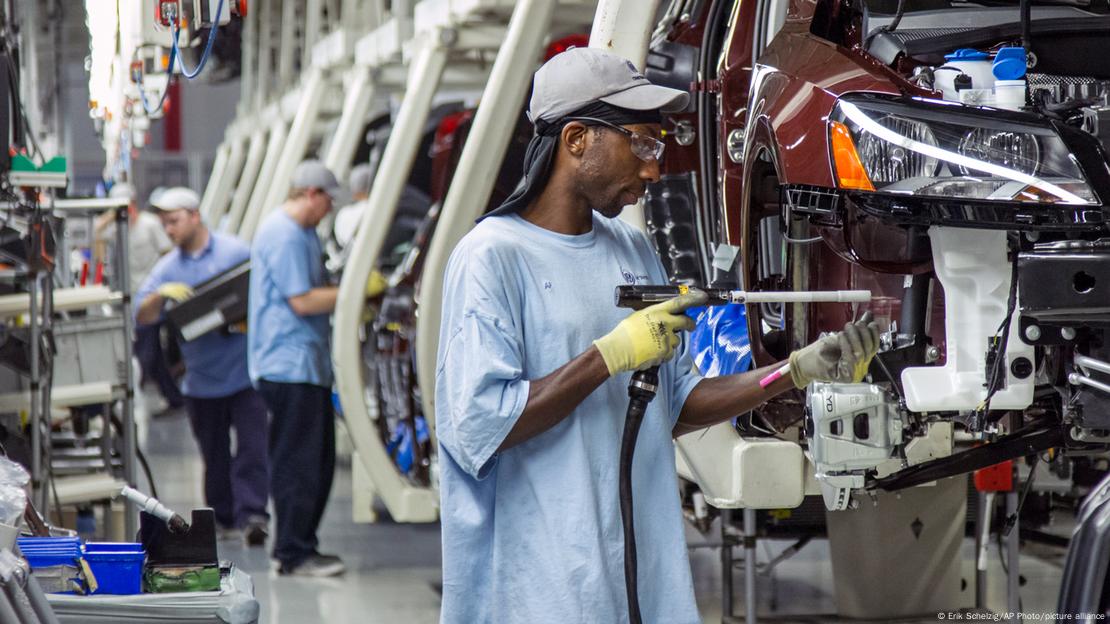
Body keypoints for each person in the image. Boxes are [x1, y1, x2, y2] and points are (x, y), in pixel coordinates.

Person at [434, 48, 880, 623]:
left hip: (636, 576)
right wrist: (610, 355)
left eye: (658, 148)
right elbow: (481, 425)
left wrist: (793, 370)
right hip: (537, 584)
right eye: (642, 143)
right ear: (576, 140)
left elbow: (676, 403)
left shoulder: (631, 249)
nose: (653, 168)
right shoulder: (491, 258)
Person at [135, 187, 270, 546]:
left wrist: (247, 318)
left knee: (253, 449)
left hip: (245, 374)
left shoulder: (236, 252)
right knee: (214, 456)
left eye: (175, 221)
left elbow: (265, 293)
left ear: (195, 216)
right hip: (202, 380)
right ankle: (223, 519)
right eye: (164, 224)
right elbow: (142, 316)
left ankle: (254, 515)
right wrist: (161, 296)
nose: (170, 230)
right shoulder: (167, 269)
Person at [248, 160, 348, 577]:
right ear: (310, 193)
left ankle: (301, 545)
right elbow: (303, 301)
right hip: (288, 366)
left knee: (317, 460)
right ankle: (292, 553)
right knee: (299, 463)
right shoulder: (285, 235)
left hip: (305, 364)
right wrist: (355, 292)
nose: (329, 209)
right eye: (327, 200)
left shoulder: (303, 233)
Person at [97, 183, 183, 412]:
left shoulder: (151, 225)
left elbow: (168, 253)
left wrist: (164, 289)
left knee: (148, 353)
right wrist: (108, 216)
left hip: (152, 298)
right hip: (131, 300)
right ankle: (174, 398)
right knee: (150, 354)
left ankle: (174, 398)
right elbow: (96, 236)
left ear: (134, 204)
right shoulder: (117, 228)